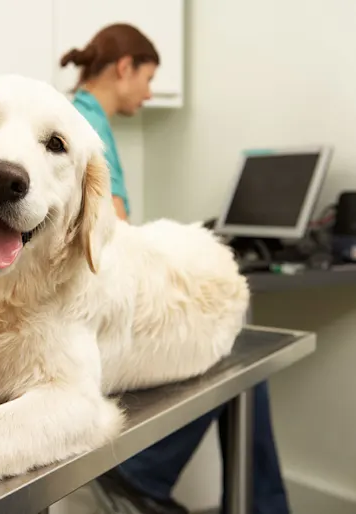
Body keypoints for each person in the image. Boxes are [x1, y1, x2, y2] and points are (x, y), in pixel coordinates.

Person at [61, 23, 290, 514]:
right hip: (86, 318)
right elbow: (111, 238)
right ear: (125, 68)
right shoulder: (87, 127)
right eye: (147, 78)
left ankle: (157, 477)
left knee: (231, 340)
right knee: (231, 332)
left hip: (80, 308)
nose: (148, 92)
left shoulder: (77, 116)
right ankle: (145, 474)